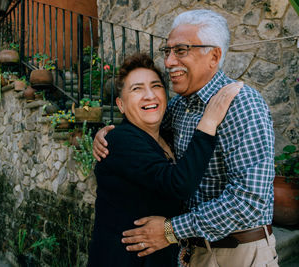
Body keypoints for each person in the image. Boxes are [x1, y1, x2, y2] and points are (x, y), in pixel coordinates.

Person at [93, 10, 277, 267]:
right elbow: (142, 129)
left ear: (214, 56)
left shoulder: (241, 104)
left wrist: (171, 230)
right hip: (192, 253)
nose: (168, 62)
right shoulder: (180, 106)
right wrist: (105, 133)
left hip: (237, 253)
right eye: (167, 51)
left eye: (180, 50)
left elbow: (249, 201)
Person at [88, 53, 242, 267]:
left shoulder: (167, 138)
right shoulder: (119, 141)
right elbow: (178, 184)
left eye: (156, 86)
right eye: (137, 89)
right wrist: (209, 121)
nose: (149, 95)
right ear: (120, 105)